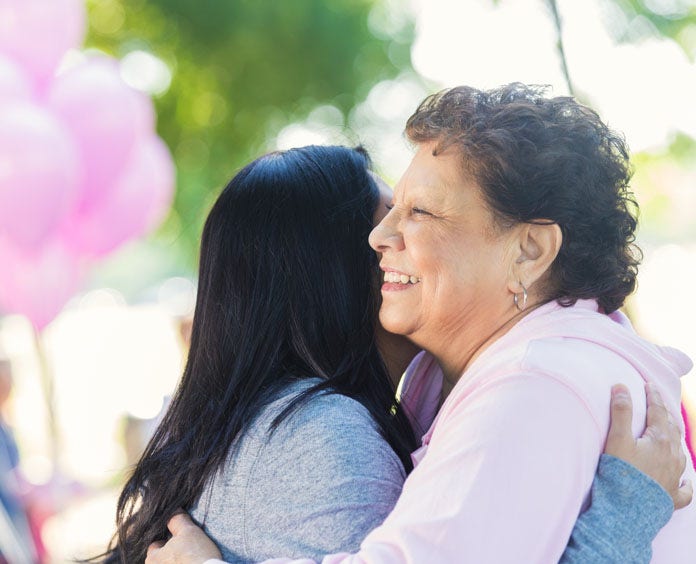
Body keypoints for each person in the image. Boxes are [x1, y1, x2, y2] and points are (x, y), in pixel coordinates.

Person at [145, 85, 695, 564]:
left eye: (420, 212)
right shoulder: (518, 373)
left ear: (529, 250)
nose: (378, 238)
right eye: (388, 211)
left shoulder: (532, 384)